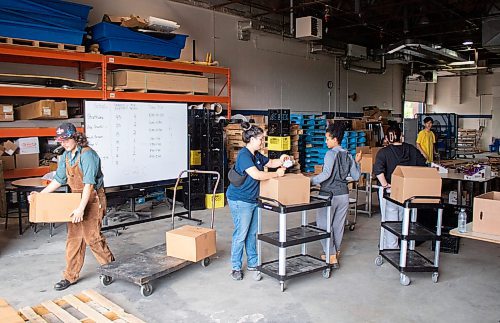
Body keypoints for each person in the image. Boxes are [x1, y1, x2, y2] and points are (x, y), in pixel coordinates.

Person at [28, 123, 114, 291]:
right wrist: (40, 196)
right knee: (74, 239)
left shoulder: (88, 155)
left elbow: (89, 185)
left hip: (93, 199)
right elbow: (59, 180)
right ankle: (70, 276)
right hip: (75, 199)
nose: (64, 143)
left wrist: (81, 209)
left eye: (66, 140)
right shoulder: (66, 156)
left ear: (75, 136)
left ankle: (112, 268)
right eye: (61, 141)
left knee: (92, 238)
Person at [226, 122, 290, 281]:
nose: (263, 142)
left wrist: (282, 159)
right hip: (240, 200)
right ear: (252, 139)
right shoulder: (244, 156)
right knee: (241, 233)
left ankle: (253, 263)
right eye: (261, 139)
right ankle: (235, 266)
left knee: (252, 232)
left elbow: (271, 163)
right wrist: (277, 175)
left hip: (253, 199)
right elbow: (257, 175)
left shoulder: (257, 155)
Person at [310, 123, 361, 267]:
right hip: (343, 195)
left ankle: (331, 255)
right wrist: (357, 163)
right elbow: (356, 177)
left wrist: (309, 181)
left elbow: (325, 175)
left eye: (327, 139)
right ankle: (334, 253)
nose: (326, 142)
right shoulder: (348, 154)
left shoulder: (330, 154)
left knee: (323, 225)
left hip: (328, 195)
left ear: (335, 139)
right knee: (338, 226)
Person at [374, 126, 427, 249]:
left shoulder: (383, 152)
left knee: (391, 220)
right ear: (401, 136)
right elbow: (423, 166)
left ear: (387, 138)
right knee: (407, 220)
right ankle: (406, 245)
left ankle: (391, 247)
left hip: (391, 192)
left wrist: (385, 184)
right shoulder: (411, 150)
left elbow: (378, 170)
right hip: (409, 191)